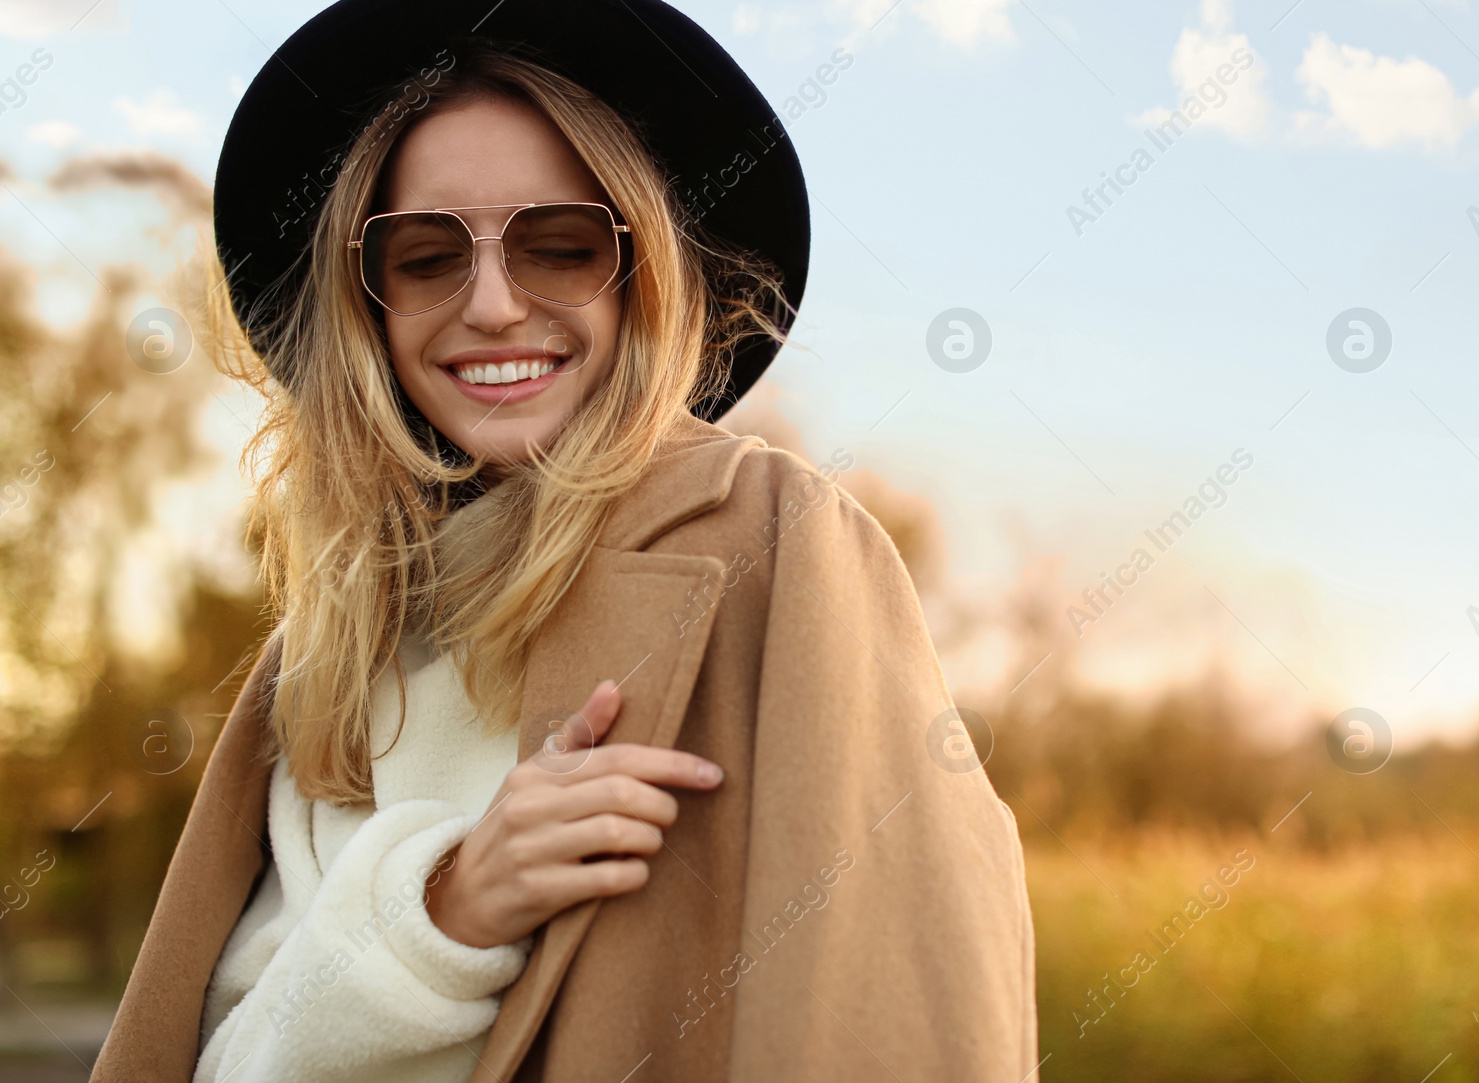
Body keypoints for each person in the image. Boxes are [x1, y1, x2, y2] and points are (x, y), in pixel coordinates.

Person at [92, 3, 1038, 1081]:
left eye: (559, 247)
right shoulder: (322, 653)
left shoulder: (769, 543)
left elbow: (897, 1000)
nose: (493, 305)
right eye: (425, 256)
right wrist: (446, 904)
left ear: (643, 274)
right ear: (368, 304)